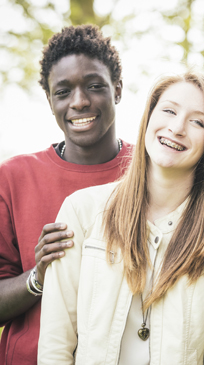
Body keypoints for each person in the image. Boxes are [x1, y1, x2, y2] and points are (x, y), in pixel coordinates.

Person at [37, 72, 204, 364]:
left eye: (198, 121)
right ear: (148, 118)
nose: (177, 128)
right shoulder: (82, 210)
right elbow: (55, 346)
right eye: (169, 111)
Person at [0, 25, 132, 365]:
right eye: (63, 92)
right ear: (50, 100)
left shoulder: (151, 172)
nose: (80, 102)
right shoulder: (14, 177)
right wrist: (39, 276)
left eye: (94, 86)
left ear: (117, 89)